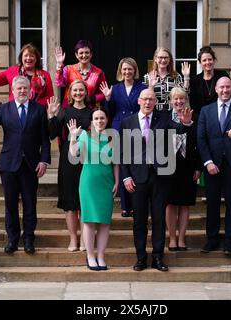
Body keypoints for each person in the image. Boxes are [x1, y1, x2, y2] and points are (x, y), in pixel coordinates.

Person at [120, 88, 193, 272]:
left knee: (159, 219)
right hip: (137, 178)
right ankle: (141, 258)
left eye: (151, 99)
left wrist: (186, 124)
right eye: (145, 99)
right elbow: (122, 153)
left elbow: (178, 130)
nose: (148, 102)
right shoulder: (127, 122)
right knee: (139, 221)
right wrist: (126, 176)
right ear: (139, 101)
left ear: (155, 102)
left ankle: (158, 258)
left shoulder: (163, 119)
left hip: (160, 177)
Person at [0, 76, 51, 255]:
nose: (22, 91)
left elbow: (45, 139)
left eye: (25, 88)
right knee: (10, 204)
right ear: (13, 90)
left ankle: (28, 239)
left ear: (30, 90)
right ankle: (12, 239)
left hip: (31, 165)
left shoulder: (39, 109)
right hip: (9, 165)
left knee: (30, 203)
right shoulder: (4, 109)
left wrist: (44, 160)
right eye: (19, 88)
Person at [197, 76, 231, 254]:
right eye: (222, 87)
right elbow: (201, 139)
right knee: (212, 204)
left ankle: (229, 242)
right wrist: (208, 162)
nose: (225, 90)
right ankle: (211, 240)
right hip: (212, 165)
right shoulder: (206, 111)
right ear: (217, 89)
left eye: (228, 87)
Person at [68, 107, 119, 271]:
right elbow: (73, 153)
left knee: (104, 222)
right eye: (96, 118)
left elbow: (116, 163)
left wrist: (117, 181)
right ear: (91, 121)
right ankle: (90, 256)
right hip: (88, 183)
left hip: (107, 182)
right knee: (89, 221)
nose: (99, 121)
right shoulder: (84, 135)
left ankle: (101, 256)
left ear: (107, 120)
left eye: (102, 118)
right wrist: (73, 137)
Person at [48, 80, 92, 252]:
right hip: (68, 158)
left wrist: (86, 133)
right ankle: (74, 238)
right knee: (70, 200)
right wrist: (52, 116)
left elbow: (99, 134)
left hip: (88, 157)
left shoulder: (92, 112)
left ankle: (85, 239)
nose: (78, 93)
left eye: (81, 90)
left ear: (86, 92)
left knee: (85, 200)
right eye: (75, 90)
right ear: (70, 93)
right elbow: (52, 134)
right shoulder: (64, 111)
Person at [99, 57, 147, 218]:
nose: (127, 72)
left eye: (130, 69)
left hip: (137, 126)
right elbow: (110, 111)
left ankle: (136, 204)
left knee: (136, 163)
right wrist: (107, 98)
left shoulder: (142, 87)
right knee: (122, 164)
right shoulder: (115, 88)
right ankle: (125, 206)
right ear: (120, 71)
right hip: (119, 127)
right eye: (124, 69)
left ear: (135, 70)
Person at [166, 87, 203, 251]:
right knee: (170, 204)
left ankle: (181, 238)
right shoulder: (164, 117)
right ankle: (172, 239)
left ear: (186, 99)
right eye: (175, 99)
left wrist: (198, 167)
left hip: (189, 167)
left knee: (185, 205)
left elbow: (200, 143)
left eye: (181, 98)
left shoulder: (195, 117)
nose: (179, 102)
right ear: (171, 101)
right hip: (169, 168)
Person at [0, 43, 54, 108]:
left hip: (36, 114)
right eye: (26, 55)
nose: (28, 58)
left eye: (32, 56)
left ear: (36, 59)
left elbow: (49, 98)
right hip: (15, 112)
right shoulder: (12, 71)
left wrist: (34, 108)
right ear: (21, 58)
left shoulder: (45, 75)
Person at [189, 45, 231, 116]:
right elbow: (193, 105)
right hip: (201, 119)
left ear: (214, 60)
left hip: (221, 117)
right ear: (200, 63)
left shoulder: (222, 75)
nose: (207, 62)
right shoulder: (195, 80)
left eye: (210, 59)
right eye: (204, 60)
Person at [55, 40, 106, 108]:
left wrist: (92, 99)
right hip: (69, 108)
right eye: (81, 53)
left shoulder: (98, 72)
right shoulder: (68, 69)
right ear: (76, 55)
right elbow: (60, 83)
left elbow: (103, 93)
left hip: (89, 110)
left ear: (91, 54)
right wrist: (59, 65)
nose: (84, 55)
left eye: (87, 52)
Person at [143, 47, 190, 112]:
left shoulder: (176, 76)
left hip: (172, 113)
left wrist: (186, 77)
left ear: (169, 59)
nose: (163, 60)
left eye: (166, 57)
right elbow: (145, 98)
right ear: (155, 59)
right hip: (155, 114)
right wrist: (151, 87)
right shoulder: (148, 77)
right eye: (160, 57)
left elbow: (184, 95)